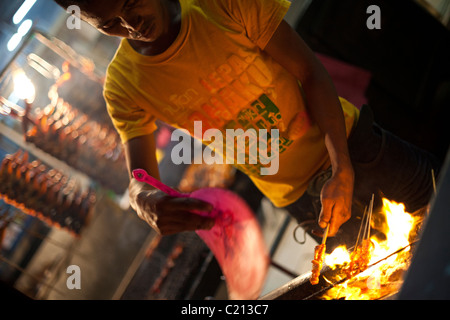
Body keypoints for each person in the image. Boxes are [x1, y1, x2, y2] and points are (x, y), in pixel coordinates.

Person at [53, 0, 440, 249]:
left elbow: (310, 72)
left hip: (353, 147)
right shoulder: (123, 84)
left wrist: (342, 167)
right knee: (383, 281)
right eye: (109, 24)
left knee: (441, 212)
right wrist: (142, 199)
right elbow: (141, 176)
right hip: (299, 198)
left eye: (131, 2)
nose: (130, 22)